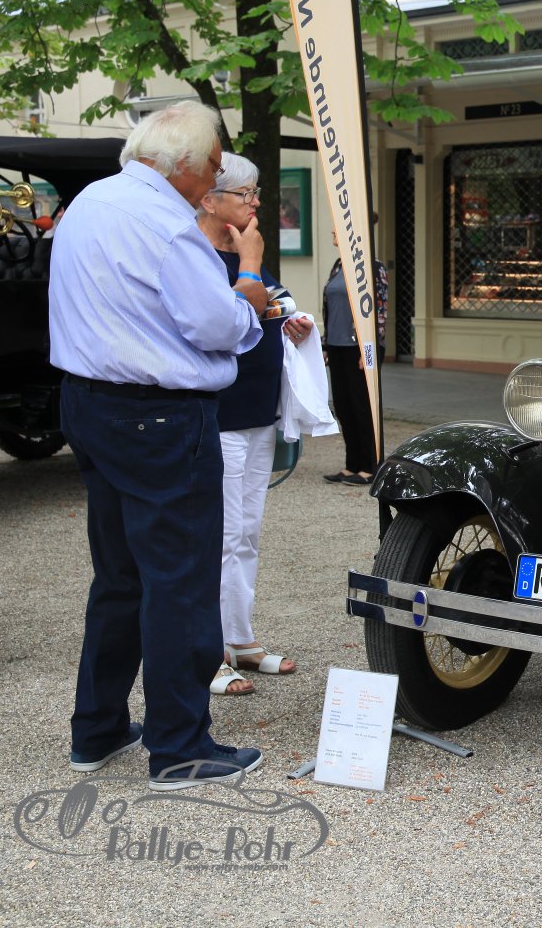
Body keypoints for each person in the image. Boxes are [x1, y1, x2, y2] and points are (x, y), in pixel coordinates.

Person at [49, 101, 269, 790]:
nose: (215, 179)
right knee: (179, 581)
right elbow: (218, 325)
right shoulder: (168, 223)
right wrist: (248, 284)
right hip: (160, 414)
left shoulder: (90, 201)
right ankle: (178, 746)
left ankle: (98, 728)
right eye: (213, 166)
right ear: (183, 164)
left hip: (88, 401)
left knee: (119, 576)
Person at [196, 154, 315, 696]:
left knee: (246, 533)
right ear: (210, 199)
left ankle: (239, 638)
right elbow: (225, 320)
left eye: (256, 192)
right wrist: (250, 264)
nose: (256, 202)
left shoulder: (248, 251)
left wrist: (293, 323)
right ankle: (207, 651)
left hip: (258, 414)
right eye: (245, 194)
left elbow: (276, 305)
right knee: (215, 536)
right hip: (218, 416)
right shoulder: (200, 255)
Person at [321, 215, 388, 486]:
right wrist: (326, 344)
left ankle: (371, 466)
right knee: (343, 406)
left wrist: (369, 349)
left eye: (337, 229)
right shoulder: (338, 265)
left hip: (360, 349)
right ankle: (352, 465)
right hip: (337, 346)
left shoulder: (373, 266)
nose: (333, 232)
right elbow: (330, 308)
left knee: (362, 407)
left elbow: (379, 310)